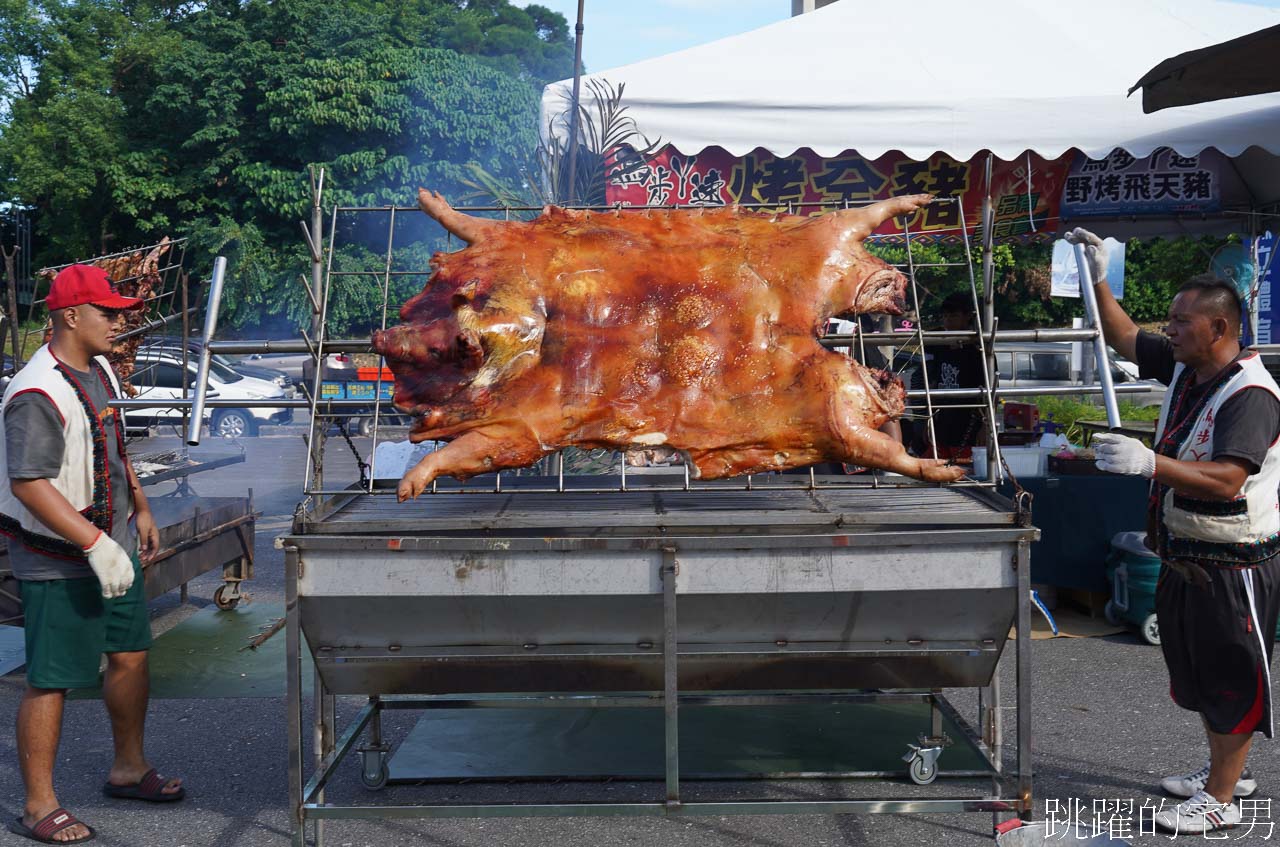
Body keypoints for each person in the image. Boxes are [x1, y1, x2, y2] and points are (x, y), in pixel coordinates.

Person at [1067, 228, 1280, 835]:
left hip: (1232, 565)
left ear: (1221, 328)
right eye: (1171, 318)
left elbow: (1228, 479)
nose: (1171, 329)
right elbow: (1123, 335)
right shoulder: (1188, 367)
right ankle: (1225, 775)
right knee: (1200, 676)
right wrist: (1099, 274)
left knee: (1231, 679)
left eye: (1182, 321)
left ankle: (1220, 800)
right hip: (1187, 555)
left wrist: (1150, 462)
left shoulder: (1252, 395)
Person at [1, 265, 184, 845]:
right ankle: (38, 805)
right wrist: (92, 543)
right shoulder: (36, 391)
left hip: (112, 542)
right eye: (109, 312)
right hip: (58, 554)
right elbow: (28, 482)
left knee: (130, 654)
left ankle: (128, 769)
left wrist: (142, 505)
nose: (121, 320)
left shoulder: (97, 367)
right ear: (71, 316)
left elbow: (111, 440)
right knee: (52, 678)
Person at [921, 292, 986, 462]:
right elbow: (932, 380)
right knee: (935, 465)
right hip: (942, 419)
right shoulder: (938, 345)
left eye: (954, 316)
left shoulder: (978, 350)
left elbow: (990, 387)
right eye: (945, 316)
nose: (948, 320)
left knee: (964, 469)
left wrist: (985, 426)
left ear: (967, 317)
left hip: (968, 421)